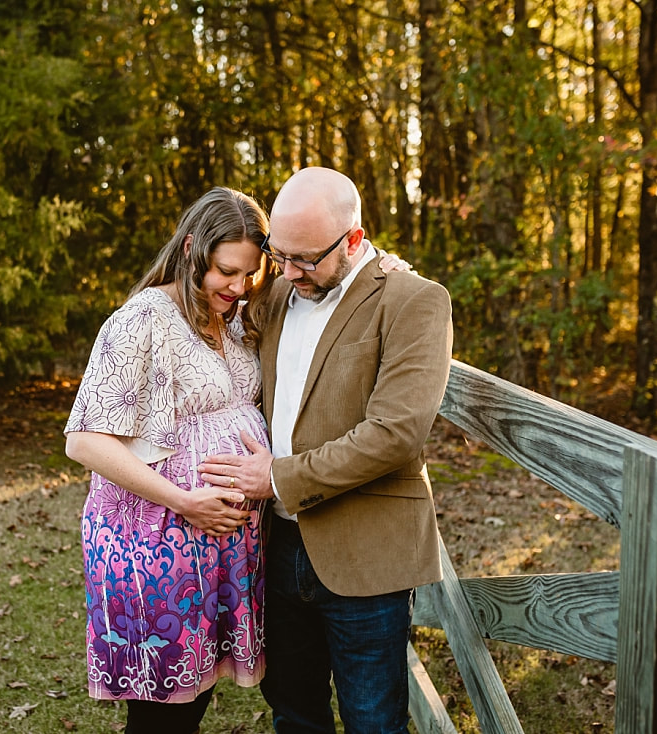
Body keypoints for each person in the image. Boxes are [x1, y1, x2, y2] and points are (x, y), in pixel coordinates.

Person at [197, 166, 453, 734]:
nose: (286, 272)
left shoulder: (413, 300)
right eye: (278, 254)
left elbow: (396, 432)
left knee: (372, 722)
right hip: (277, 545)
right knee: (295, 713)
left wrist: (279, 478)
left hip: (364, 553)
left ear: (355, 240)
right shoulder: (280, 291)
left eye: (305, 259)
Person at [64, 186, 274, 734]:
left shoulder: (231, 315)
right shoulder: (141, 320)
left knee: (193, 699)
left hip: (217, 546)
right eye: (226, 271)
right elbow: (84, 441)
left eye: (249, 273)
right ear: (189, 250)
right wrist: (185, 501)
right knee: (163, 713)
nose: (238, 286)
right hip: (155, 540)